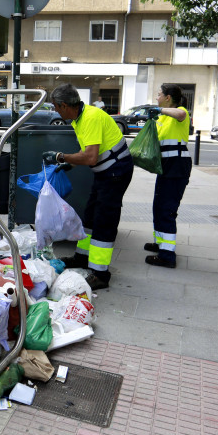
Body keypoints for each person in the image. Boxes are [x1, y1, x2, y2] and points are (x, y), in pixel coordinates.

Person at [43, 83, 134, 290]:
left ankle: (101, 274)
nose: (55, 111)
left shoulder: (91, 118)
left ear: (64, 105)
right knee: (91, 215)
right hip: (106, 172)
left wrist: (60, 156)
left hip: (115, 172)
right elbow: (88, 152)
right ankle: (83, 258)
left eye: (56, 107)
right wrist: (68, 164)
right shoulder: (79, 119)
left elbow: (91, 157)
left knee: (104, 220)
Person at [143, 84, 192, 269]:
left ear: (168, 97)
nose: (157, 97)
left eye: (159, 94)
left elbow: (180, 115)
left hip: (177, 166)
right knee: (158, 206)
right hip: (166, 167)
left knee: (167, 210)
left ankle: (167, 255)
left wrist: (159, 110)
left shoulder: (180, 112)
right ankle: (160, 243)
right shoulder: (162, 118)